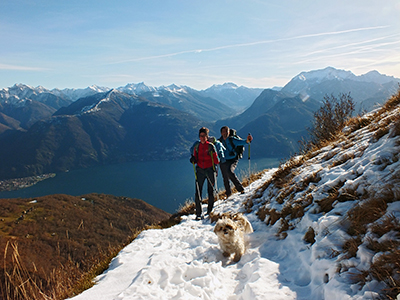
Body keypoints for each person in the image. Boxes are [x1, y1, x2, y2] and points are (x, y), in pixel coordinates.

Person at [190, 127, 220, 220]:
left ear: (207, 136)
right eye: (200, 136)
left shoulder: (211, 146)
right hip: (200, 171)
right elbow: (195, 158)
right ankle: (198, 213)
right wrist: (193, 160)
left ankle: (210, 210)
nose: (202, 138)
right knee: (198, 192)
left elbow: (217, 161)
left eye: (204, 136)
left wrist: (214, 153)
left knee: (210, 191)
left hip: (210, 170)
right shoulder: (197, 147)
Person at [218, 126, 253, 199]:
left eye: (226, 131)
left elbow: (243, 142)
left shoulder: (232, 140)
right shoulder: (219, 142)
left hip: (232, 159)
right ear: (221, 133)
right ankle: (228, 194)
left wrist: (248, 140)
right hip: (223, 160)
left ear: (229, 132)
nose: (225, 133)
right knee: (225, 177)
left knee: (229, 171)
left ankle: (240, 189)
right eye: (224, 132)